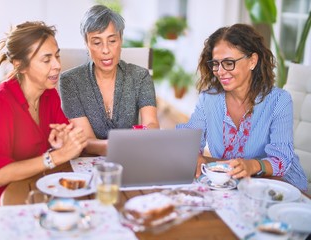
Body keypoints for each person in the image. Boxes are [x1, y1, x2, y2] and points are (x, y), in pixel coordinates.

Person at [0, 21, 87, 240]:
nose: (57, 65)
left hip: (28, 192)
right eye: (46, 59)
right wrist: (55, 156)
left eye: (57, 56)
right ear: (20, 65)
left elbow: (69, 145)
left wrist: (65, 141)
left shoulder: (48, 94)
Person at [177, 23, 307, 192]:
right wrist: (194, 155)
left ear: (252, 61)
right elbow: (190, 138)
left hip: (279, 186)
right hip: (231, 186)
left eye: (229, 63)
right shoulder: (208, 99)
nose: (220, 71)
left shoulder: (279, 101)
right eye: (215, 64)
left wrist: (253, 165)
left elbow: (282, 160)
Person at [59, 5, 159, 156]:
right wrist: (125, 145)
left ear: (121, 40)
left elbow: (151, 123)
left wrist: (148, 135)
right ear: (86, 44)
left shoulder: (140, 76)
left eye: (112, 40)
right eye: (97, 42)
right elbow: (85, 141)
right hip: (87, 164)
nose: (106, 50)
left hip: (131, 160)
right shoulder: (70, 81)